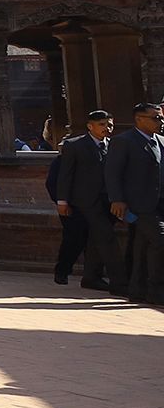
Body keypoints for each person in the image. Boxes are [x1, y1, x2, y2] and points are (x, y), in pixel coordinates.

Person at [53, 111, 121, 290]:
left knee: (95, 240)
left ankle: (92, 276)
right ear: (90, 126)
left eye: (110, 125)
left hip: (109, 200)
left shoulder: (115, 145)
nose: (107, 128)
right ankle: (120, 282)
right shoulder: (75, 145)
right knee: (107, 238)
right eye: (102, 124)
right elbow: (65, 175)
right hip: (85, 201)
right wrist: (62, 201)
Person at [105, 103, 164, 304]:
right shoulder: (124, 142)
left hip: (160, 204)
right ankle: (156, 289)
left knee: (142, 246)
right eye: (155, 118)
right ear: (139, 119)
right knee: (160, 241)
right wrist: (117, 199)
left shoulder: (161, 141)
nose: (161, 121)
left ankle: (137, 289)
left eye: (161, 117)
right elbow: (113, 173)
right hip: (139, 204)